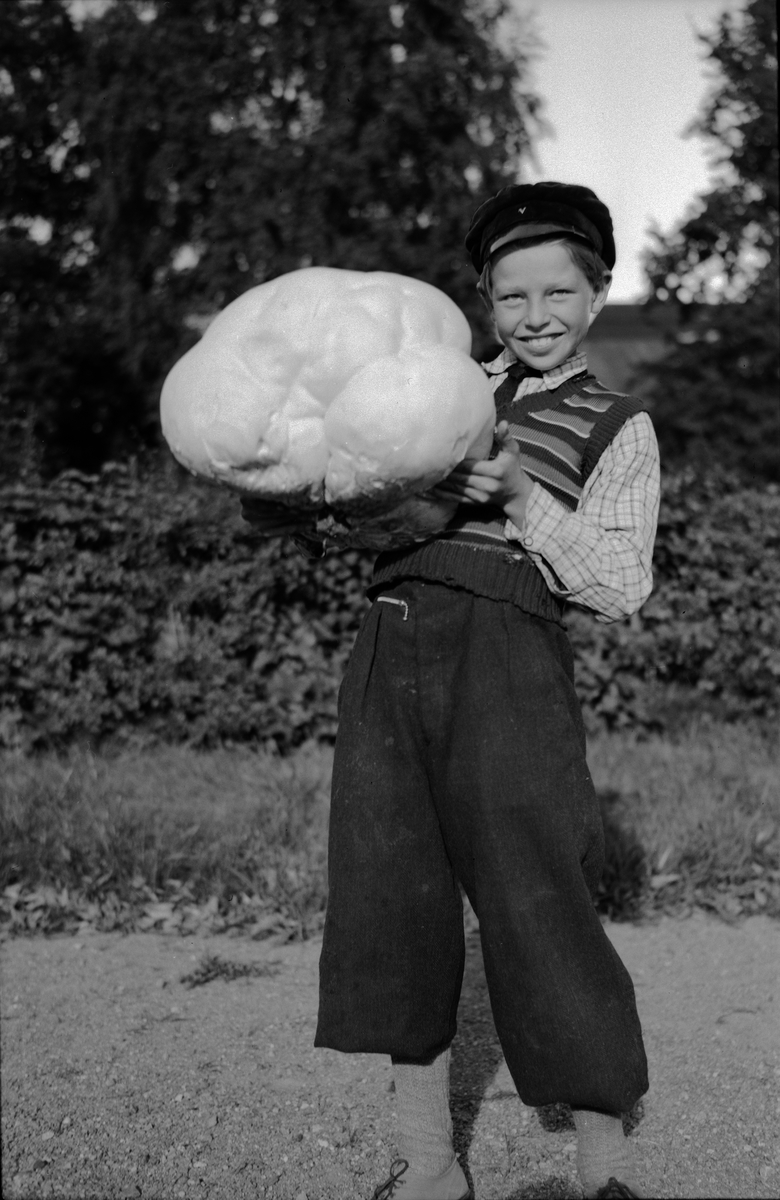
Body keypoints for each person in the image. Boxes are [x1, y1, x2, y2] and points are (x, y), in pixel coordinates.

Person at [245, 182, 660, 1200]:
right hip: (389, 648)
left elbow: (620, 584)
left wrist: (520, 497)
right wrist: (293, 483)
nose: (535, 315)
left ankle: (603, 1163)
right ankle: (428, 1160)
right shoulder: (425, 392)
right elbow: (336, 517)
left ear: (598, 295)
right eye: (511, 295)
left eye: (557, 293)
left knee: (538, 892)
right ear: (484, 300)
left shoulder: (618, 425)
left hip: (508, 666)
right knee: (391, 894)